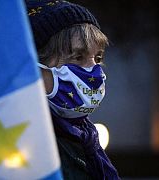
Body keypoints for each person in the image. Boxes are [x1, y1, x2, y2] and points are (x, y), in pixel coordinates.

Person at [25, 0, 120, 179]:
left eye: (98, 58)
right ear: (35, 67)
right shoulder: (27, 146)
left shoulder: (85, 139)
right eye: (77, 56)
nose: (95, 71)